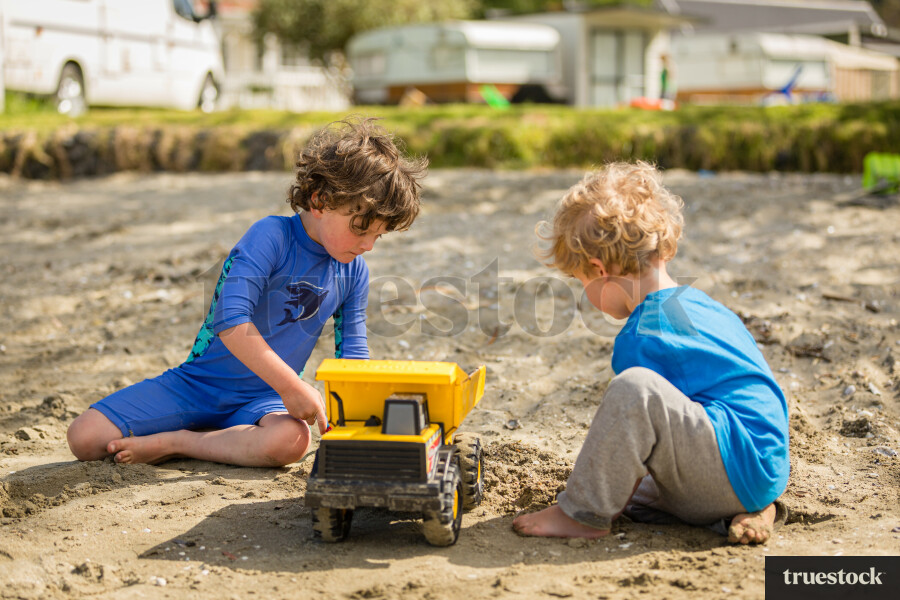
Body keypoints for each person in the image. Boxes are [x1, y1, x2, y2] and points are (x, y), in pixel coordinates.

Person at [66, 118, 427, 467]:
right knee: (84, 438)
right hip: (197, 386)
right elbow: (231, 322)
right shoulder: (271, 236)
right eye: (361, 228)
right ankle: (202, 431)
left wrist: (367, 419)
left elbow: (353, 356)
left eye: (378, 235)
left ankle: (179, 442)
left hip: (262, 401)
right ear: (319, 201)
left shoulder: (354, 271)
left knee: (291, 441)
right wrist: (292, 386)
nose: (368, 246)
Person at [514, 162, 788, 545]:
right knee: (628, 486)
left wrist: (593, 497)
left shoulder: (643, 332)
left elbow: (636, 417)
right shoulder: (704, 307)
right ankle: (758, 506)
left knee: (633, 390)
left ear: (598, 268)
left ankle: (582, 516)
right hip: (763, 465)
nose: (587, 297)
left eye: (582, 283)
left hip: (728, 470)